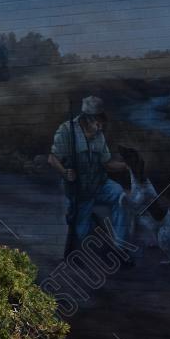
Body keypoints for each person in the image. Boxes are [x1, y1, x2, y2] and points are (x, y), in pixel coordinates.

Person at [49, 96, 132, 259]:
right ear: (88, 119)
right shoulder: (66, 131)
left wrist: (126, 166)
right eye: (98, 123)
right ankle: (77, 253)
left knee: (121, 197)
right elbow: (52, 158)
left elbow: (106, 163)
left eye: (102, 123)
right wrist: (65, 172)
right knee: (80, 229)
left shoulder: (99, 135)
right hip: (80, 190)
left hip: (100, 184)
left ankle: (120, 249)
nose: (100, 128)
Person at [118, 146, 170, 264]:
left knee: (147, 221)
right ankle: (155, 241)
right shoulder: (138, 181)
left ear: (128, 165)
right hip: (159, 224)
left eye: (124, 161)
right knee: (145, 220)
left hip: (169, 236)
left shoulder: (144, 188)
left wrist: (123, 198)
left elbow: (135, 206)